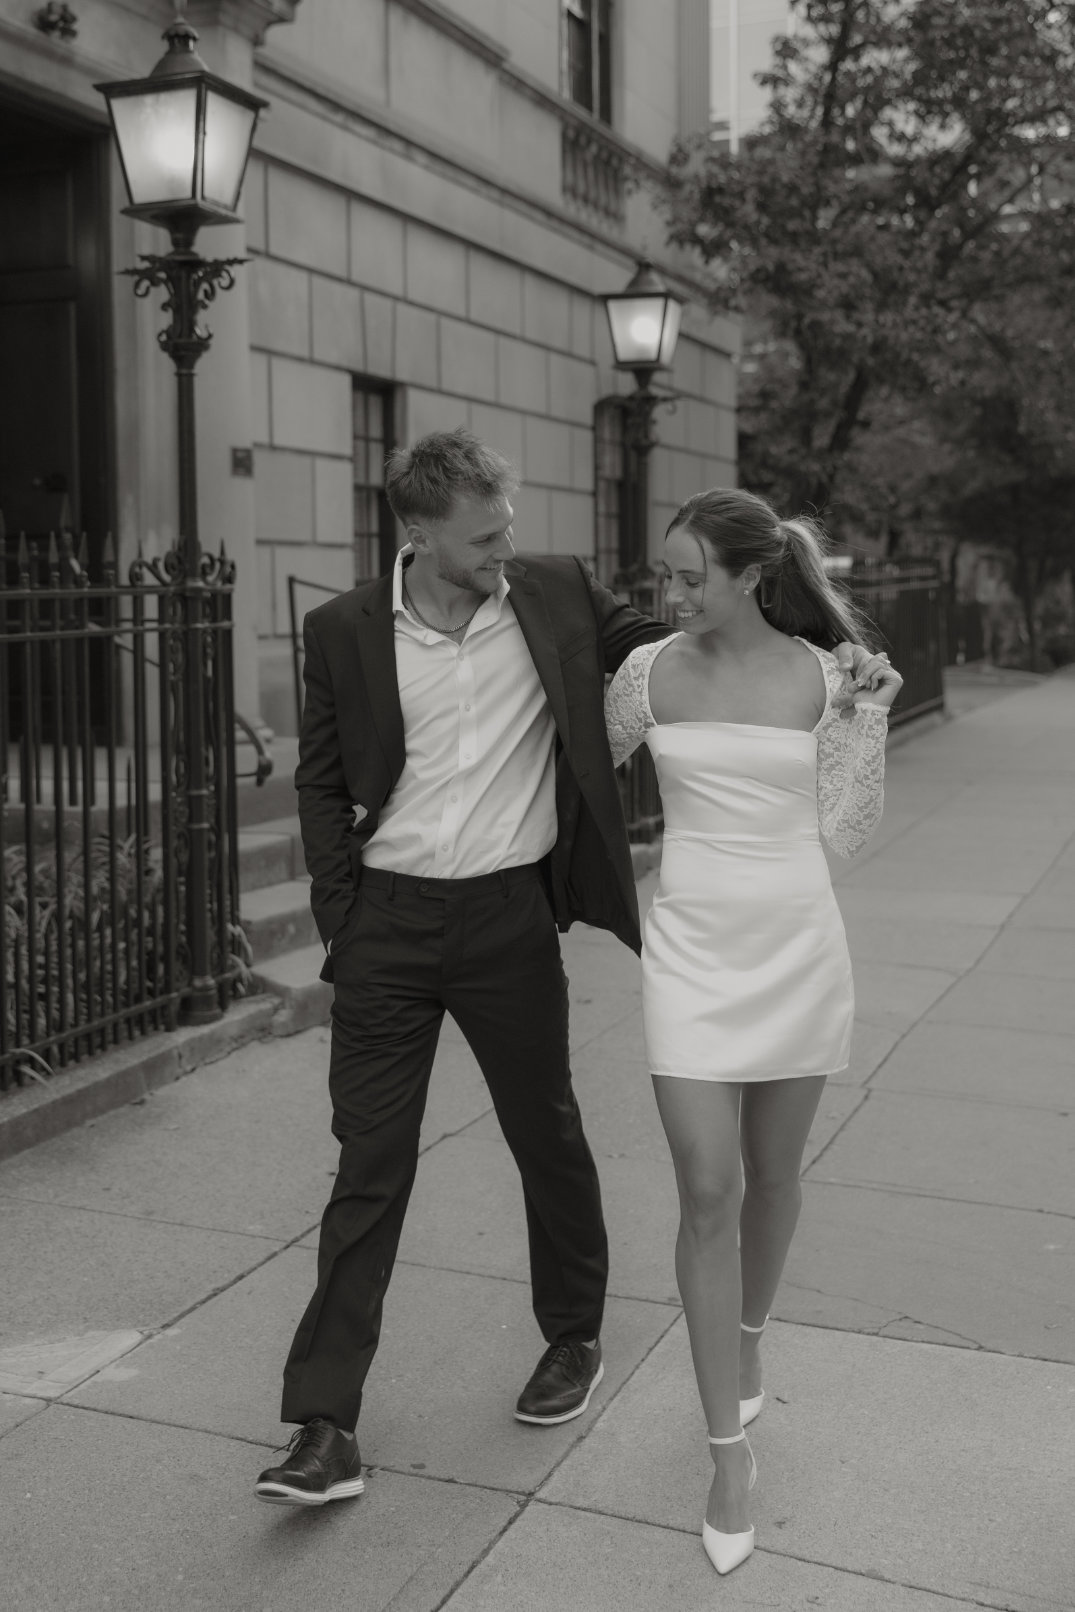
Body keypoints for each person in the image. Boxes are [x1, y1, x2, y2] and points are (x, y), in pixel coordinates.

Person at [254, 431, 877, 1508]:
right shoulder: (341, 632)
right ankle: (322, 1421)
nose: (507, 549)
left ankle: (571, 1336)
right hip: (390, 924)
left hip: (506, 915)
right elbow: (318, 777)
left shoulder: (552, 595)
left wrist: (837, 661)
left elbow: (696, 636)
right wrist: (344, 922)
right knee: (369, 1161)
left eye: (508, 528)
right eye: (485, 537)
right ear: (418, 534)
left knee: (544, 1132)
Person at [603, 487, 901, 1576]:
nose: (667, 594)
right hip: (687, 954)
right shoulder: (646, 677)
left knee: (774, 1175)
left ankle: (746, 1335)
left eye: (688, 577)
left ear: (747, 578)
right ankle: (727, 1453)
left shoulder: (827, 678)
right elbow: (579, 775)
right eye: (662, 576)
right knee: (707, 1189)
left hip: (795, 948)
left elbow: (848, 831)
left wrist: (866, 719)